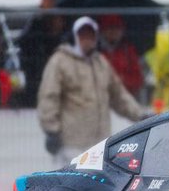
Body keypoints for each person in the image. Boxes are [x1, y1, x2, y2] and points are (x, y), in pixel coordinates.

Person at [37, 17, 148, 164]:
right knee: (71, 185)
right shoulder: (60, 61)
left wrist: (140, 116)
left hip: (100, 145)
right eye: (83, 35)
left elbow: (119, 95)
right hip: (71, 144)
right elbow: (48, 97)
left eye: (91, 35)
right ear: (74, 37)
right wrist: (52, 130)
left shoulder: (100, 62)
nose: (87, 39)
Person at [98, 15, 144, 99]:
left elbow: (138, 79)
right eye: (109, 28)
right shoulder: (94, 52)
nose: (114, 32)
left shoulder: (129, 51)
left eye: (117, 28)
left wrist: (122, 81)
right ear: (102, 30)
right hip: (100, 99)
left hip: (125, 99)